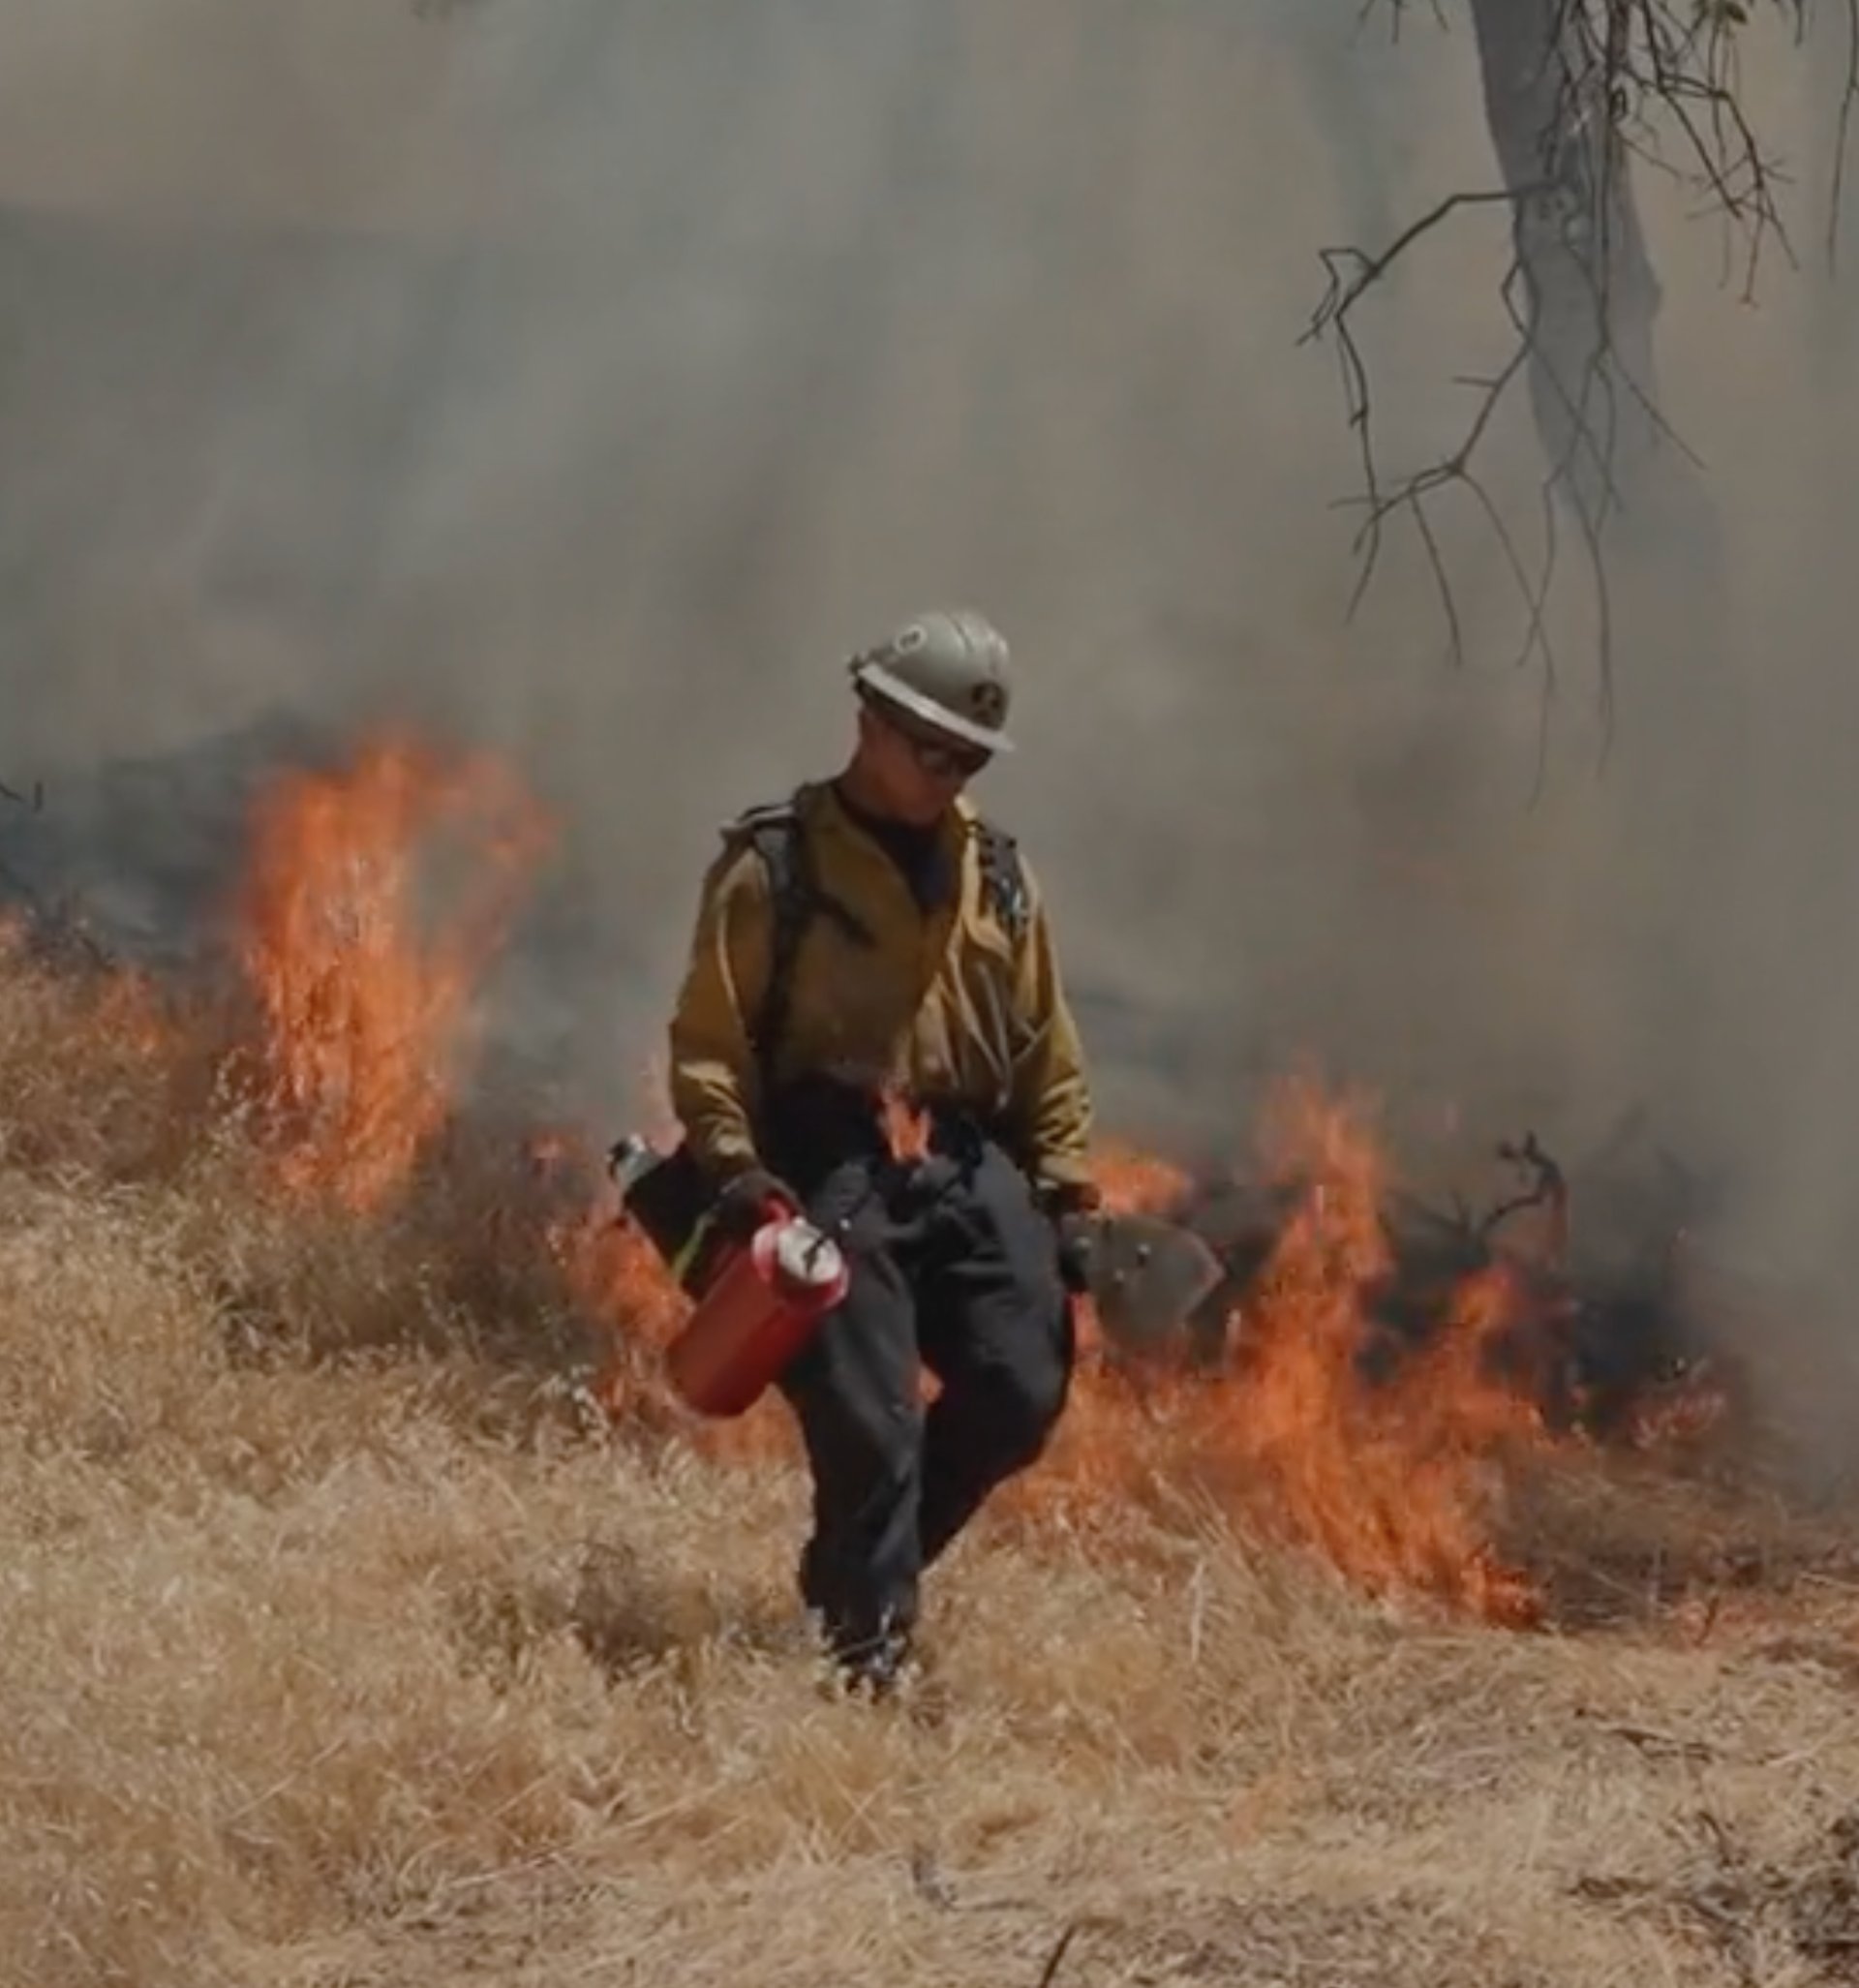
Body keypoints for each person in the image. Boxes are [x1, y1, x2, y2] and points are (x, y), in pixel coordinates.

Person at [665, 608, 1101, 1692]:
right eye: (933, 749)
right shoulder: (778, 865)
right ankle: (867, 1651)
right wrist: (736, 1170)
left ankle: (857, 1575)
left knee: (1019, 1390)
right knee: (871, 1417)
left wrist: (1067, 1189)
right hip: (830, 1155)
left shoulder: (999, 872)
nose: (950, 775)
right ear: (870, 720)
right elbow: (709, 1039)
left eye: (970, 758)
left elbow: (1048, 1044)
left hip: (960, 1154)